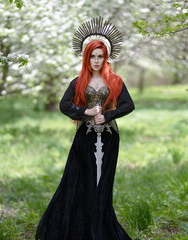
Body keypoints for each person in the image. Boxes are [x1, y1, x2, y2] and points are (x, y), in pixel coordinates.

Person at [35, 17, 135, 240]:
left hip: (109, 138)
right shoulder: (78, 82)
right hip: (85, 138)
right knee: (80, 182)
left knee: (103, 184)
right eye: (92, 56)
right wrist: (85, 113)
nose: (96, 60)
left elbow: (129, 104)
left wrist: (107, 115)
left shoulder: (115, 81)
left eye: (100, 56)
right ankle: (79, 229)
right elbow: (64, 104)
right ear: (86, 57)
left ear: (106, 57)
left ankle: (100, 230)